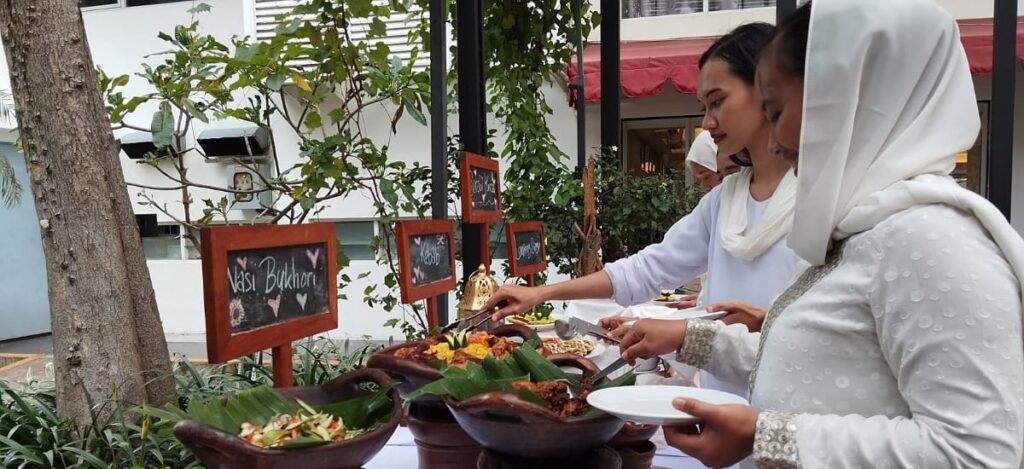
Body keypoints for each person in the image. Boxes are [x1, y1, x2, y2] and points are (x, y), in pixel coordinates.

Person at [617, 1, 1024, 466]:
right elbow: (817, 363)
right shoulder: (867, 228)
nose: (772, 143)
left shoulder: (929, 240)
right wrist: (690, 337)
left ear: (846, 96)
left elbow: (978, 453)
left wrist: (770, 437)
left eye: (775, 109)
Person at [486, 23, 801, 398]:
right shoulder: (724, 199)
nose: (707, 123)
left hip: (796, 415)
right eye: (703, 107)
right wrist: (542, 293)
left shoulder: (820, 199)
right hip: (723, 404)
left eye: (717, 101)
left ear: (767, 87)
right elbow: (649, 268)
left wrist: (684, 333)